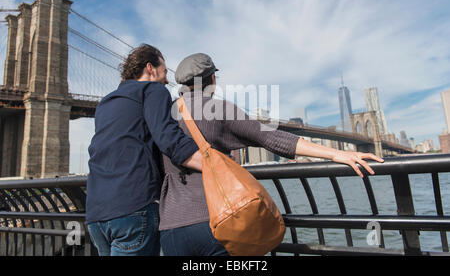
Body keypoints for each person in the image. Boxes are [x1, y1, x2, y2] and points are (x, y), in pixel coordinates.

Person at [158, 53, 384, 256]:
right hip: (216, 223)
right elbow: (271, 138)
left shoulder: (161, 114)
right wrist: (336, 154)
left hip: (170, 229)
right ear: (212, 79)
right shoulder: (216, 107)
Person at [85, 44, 203, 256]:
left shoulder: (106, 102)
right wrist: (215, 162)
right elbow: (169, 139)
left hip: (96, 216)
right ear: (151, 68)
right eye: (165, 72)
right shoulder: (153, 90)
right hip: (132, 210)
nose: (167, 79)